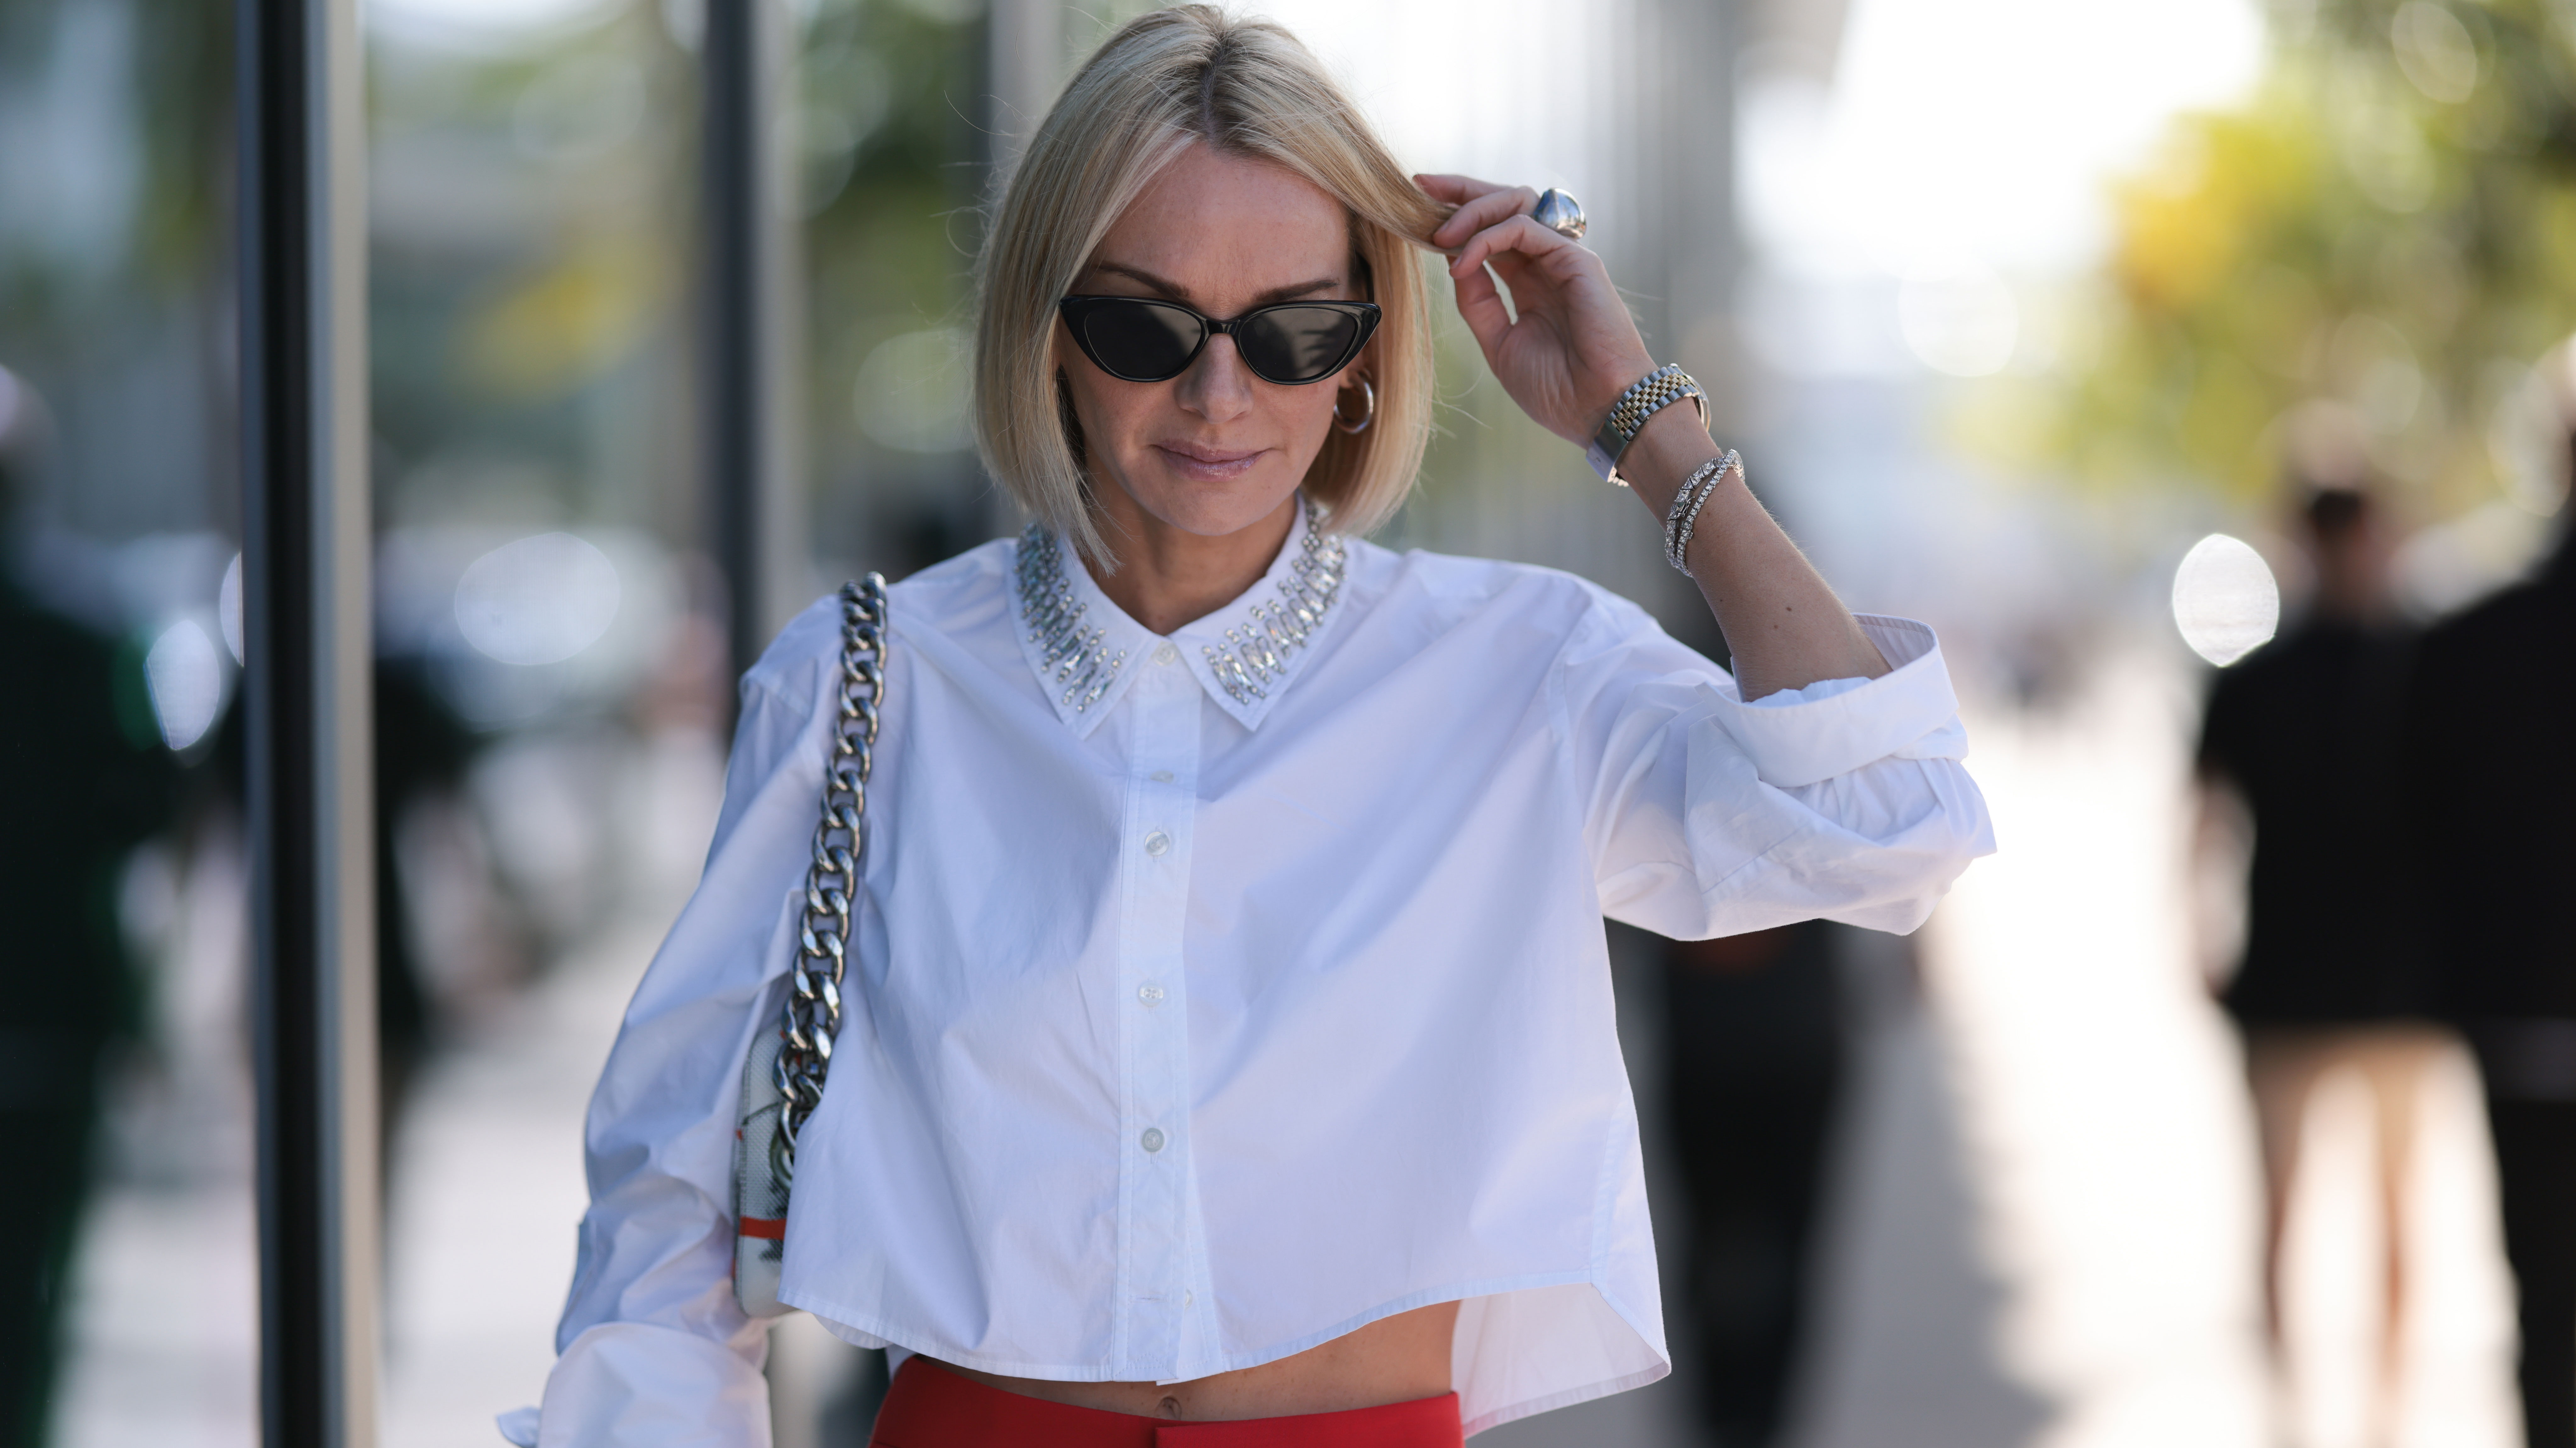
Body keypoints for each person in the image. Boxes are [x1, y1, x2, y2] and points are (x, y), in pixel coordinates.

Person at [519, 10, 1992, 1444]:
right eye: (1143, 322)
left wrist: (1644, 421)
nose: (1219, 394)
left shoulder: (1512, 672)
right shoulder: (866, 684)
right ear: (1048, 330)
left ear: (1363, 350)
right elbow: (668, 1199)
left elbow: (1884, 829)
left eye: (1294, 328)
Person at [2194, 482, 2445, 1431]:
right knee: (2333, 1216)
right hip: (2355, 984)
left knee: (2355, 1217)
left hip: (2352, 985)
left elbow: (2206, 820)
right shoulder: (2413, 667)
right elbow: (2207, 820)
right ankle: (2322, 1415)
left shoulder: (2279, 675)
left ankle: (2351, 1415)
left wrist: (2200, 932)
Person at [2406, 418, 2576, 1448]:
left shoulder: (2469, 641)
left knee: (2545, 1298)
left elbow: (2418, 829)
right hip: (2515, 1013)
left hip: (2517, 1014)